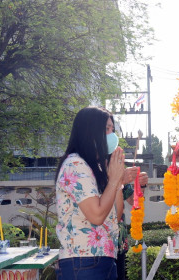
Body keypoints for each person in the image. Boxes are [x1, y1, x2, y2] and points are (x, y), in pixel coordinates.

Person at [55, 107, 125, 280]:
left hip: (104, 258)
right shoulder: (75, 165)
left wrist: (115, 181)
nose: (111, 135)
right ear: (90, 131)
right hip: (83, 261)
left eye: (112, 130)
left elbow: (116, 213)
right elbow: (97, 216)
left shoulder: (96, 167)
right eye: (107, 129)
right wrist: (114, 180)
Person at [116, 168, 148, 280]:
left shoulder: (119, 173)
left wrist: (141, 185)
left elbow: (134, 200)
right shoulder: (92, 172)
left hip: (119, 244)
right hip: (99, 245)